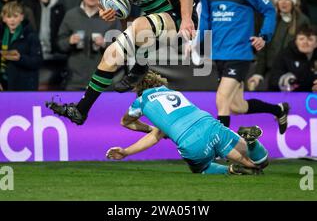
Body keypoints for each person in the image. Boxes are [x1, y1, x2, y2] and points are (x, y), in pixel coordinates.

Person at [46, 0, 196, 125]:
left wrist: (186, 19)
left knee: (140, 24)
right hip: (154, 23)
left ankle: (140, 67)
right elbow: (129, 14)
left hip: (178, 18)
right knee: (110, 54)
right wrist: (111, 13)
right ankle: (81, 110)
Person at [197, 0, 289, 134]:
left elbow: (269, 10)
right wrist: (198, 44)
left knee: (221, 99)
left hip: (240, 53)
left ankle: (222, 149)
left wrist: (264, 36)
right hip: (219, 54)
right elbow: (205, 21)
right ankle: (278, 110)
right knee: (237, 106)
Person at [106, 71, 269, 176]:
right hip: (210, 125)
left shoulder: (141, 101)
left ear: (136, 87)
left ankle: (231, 170)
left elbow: (127, 123)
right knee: (261, 163)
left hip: (190, 141)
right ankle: (252, 144)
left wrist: (126, 152)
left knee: (201, 169)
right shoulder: (174, 92)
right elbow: (158, 132)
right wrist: (156, 129)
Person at [57, 0, 122, 90]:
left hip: (103, 81)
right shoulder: (71, 15)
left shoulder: (110, 17)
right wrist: (69, 41)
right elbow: (59, 44)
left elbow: (120, 49)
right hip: (75, 81)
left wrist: (105, 44)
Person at [248, 0, 309, 91]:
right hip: (271, 72)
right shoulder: (270, 20)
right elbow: (263, 50)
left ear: (293, 2)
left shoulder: (302, 21)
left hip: (294, 73)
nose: (284, 3)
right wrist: (258, 74)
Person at [0, 1, 42, 91]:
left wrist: (20, 58)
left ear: (22, 17)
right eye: (9, 16)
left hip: (24, 85)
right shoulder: (1, 35)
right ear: (3, 18)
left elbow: (37, 61)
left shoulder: (31, 35)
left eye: (15, 16)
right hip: (4, 83)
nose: (12, 20)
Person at [269, 25, 317, 92]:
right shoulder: (284, 55)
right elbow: (273, 80)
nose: (305, 42)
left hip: (310, 98)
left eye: (310, 39)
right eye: (301, 39)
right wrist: (285, 81)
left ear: (316, 43)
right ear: (296, 41)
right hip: (284, 97)